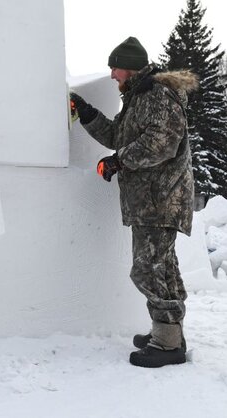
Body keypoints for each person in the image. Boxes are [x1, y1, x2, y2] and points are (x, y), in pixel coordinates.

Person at [70, 37, 198, 368]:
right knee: (163, 268)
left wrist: (118, 161)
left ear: (128, 67)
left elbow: (161, 143)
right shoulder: (138, 98)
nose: (112, 74)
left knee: (148, 268)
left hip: (160, 199)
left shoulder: (156, 94)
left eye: (115, 67)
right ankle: (169, 334)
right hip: (150, 200)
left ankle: (168, 345)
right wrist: (87, 113)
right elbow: (118, 137)